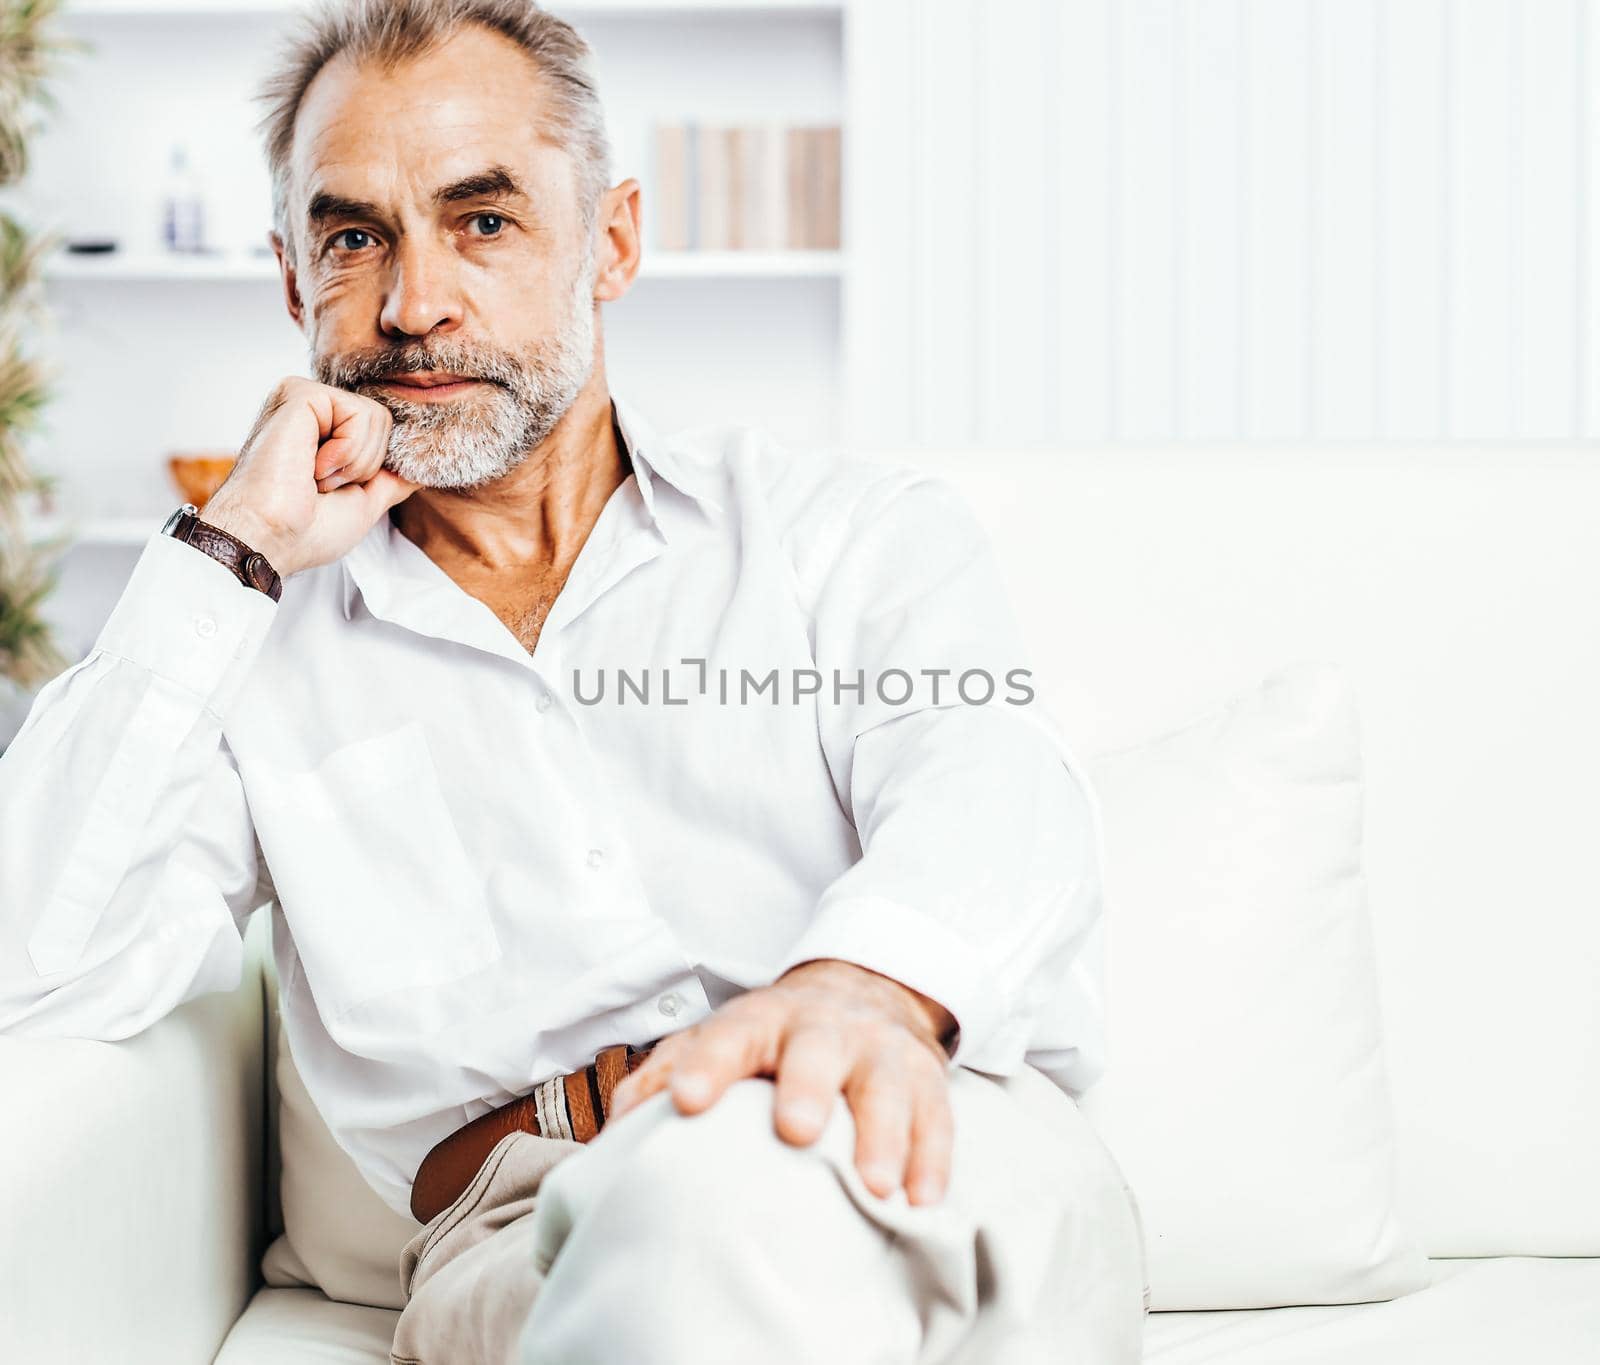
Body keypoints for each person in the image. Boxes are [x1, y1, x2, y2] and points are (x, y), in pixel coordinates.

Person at [0, 1, 1147, 1360]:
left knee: (729, 1222)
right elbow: (33, 964)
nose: (413, 302)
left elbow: (997, 790)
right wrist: (226, 554)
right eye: (354, 236)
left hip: (920, 1128)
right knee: (677, 1242)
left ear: (611, 242)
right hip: (535, 1230)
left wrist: (855, 988)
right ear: (290, 281)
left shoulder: (851, 535)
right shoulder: (258, 645)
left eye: (482, 221)